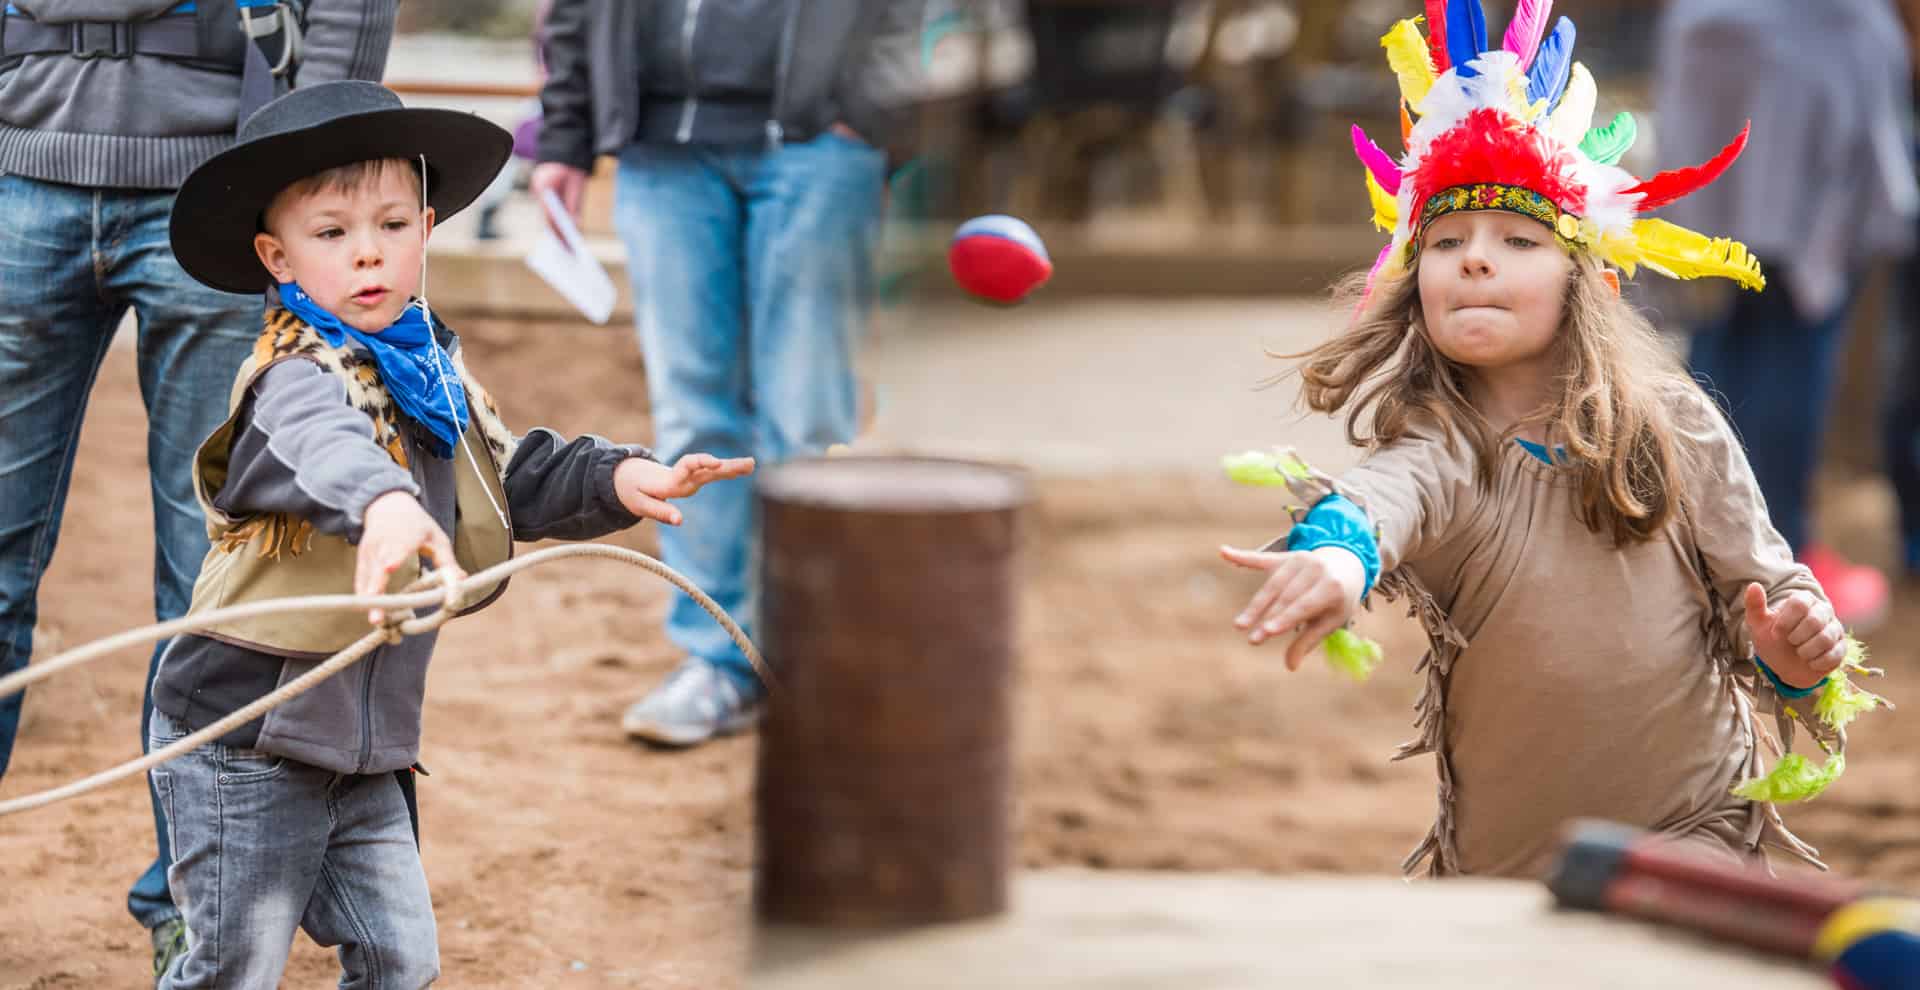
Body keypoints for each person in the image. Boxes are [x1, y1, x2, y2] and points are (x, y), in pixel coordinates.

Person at [1220, 2, 1859, 879]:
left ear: (1589, 281)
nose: (1476, 259)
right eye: (1446, 241)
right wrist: (1338, 557)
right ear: (1415, 282)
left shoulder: (1677, 423)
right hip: (1501, 866)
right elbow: (1383, 496)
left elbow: (1770, 592)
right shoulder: (1445, 444)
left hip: (1697, 827)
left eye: (1518, 239)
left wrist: (1795, 649)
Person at [147, 80, 755, 987]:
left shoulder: (430, 371)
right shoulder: (288, 382)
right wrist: (387, 505)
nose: (369, 257)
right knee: (234, 969)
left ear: (427, 232)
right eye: (333, 234)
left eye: (392, 227)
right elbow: (329, 452)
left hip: (366, 746)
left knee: (403, 961)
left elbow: (503, 477)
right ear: (277, 257)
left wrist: (621, 476)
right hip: (250, 741)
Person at [0, 0, 397, 976]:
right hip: (18, 170)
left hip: (214, 190)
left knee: (216, 590)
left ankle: (193, 906)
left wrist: (300, 167)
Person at [531, 0, 925, 747]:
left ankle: (818, 660)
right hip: (661, 150)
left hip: (818, 144)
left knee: (807, 415)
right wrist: (567, 134)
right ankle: (721, 659)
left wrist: (872, 115)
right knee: (690, 417)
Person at [1655, 0, 1918, 628]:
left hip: (1721, 126)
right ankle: (1779, 558)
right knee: (1791, 348)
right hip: (1806, 113)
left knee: (1725, 342)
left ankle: (1701, 551)